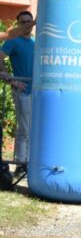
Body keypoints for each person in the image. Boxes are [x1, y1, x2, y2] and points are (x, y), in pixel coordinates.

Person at [0, 11, 35, 172]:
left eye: (29, 21)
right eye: (23, 22)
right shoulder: (13, 40)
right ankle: (21, 164)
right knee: (24, 129)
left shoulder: (36, 41)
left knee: (35, 128)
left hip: (38, 92)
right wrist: (10, 79)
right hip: (23, 90)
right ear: (18, 24)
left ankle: (31, 163)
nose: (26, 24)